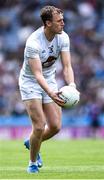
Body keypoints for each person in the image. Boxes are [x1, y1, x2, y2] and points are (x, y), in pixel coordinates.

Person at [19, 5, 79, 173]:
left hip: (50, 79)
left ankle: (32, 142)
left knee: (55, 127)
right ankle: (32, 163)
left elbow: (67, 66)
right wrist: (51, 93)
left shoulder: (63, 38)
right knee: (39, 126)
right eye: (59, 21)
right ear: (48, 23)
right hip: (30, 83)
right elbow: (37, 74)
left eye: (63, 20)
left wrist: (72, 85)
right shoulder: (33, 42)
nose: (63, 23)